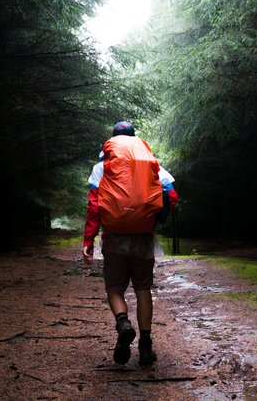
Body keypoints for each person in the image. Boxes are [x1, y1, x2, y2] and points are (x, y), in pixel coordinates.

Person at [82, 121, 178, 366]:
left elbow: (94, 206)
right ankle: (145, 349)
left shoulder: (101, 166)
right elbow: (172, 195)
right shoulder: (150, 164)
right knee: (143, 289)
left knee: (114, 287)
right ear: (134, 139)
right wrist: (155, 216)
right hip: (144, 237)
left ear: (113, 141)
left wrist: (89, 240)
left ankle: (123, 322)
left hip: (114, 236)